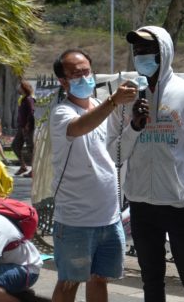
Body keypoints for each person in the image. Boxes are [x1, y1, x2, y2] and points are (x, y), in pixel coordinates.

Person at [107, 26, 184, 302]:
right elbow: (114, 154)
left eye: (148, 51)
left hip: (181, 204)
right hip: (141, 204)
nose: (141, 56)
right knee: (151, 281)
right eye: (137, 52)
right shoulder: (125, 96)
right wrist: (134, 126)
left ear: (164, 52)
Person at [50, 49, 137, 302]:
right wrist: (113, 102)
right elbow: (79, 127)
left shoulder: (100, 107)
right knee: (69, 282)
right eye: (76, 74)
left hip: (108, 218)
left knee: (100, 279)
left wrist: (134, 123)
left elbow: (114, 146)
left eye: (87, 71)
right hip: (75, 219)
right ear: (63, 81)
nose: (84, 77)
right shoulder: (61, 113)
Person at [12, 80, 35, 177]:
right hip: (21, 127)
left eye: (20, 87)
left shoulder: (29, 99)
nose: (18, 89)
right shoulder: (23, 99)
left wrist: (28, 125)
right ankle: (23, 166)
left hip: (28, 128)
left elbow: (32, 112)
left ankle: (34, 170)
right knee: (15, 145)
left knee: (31, 149)